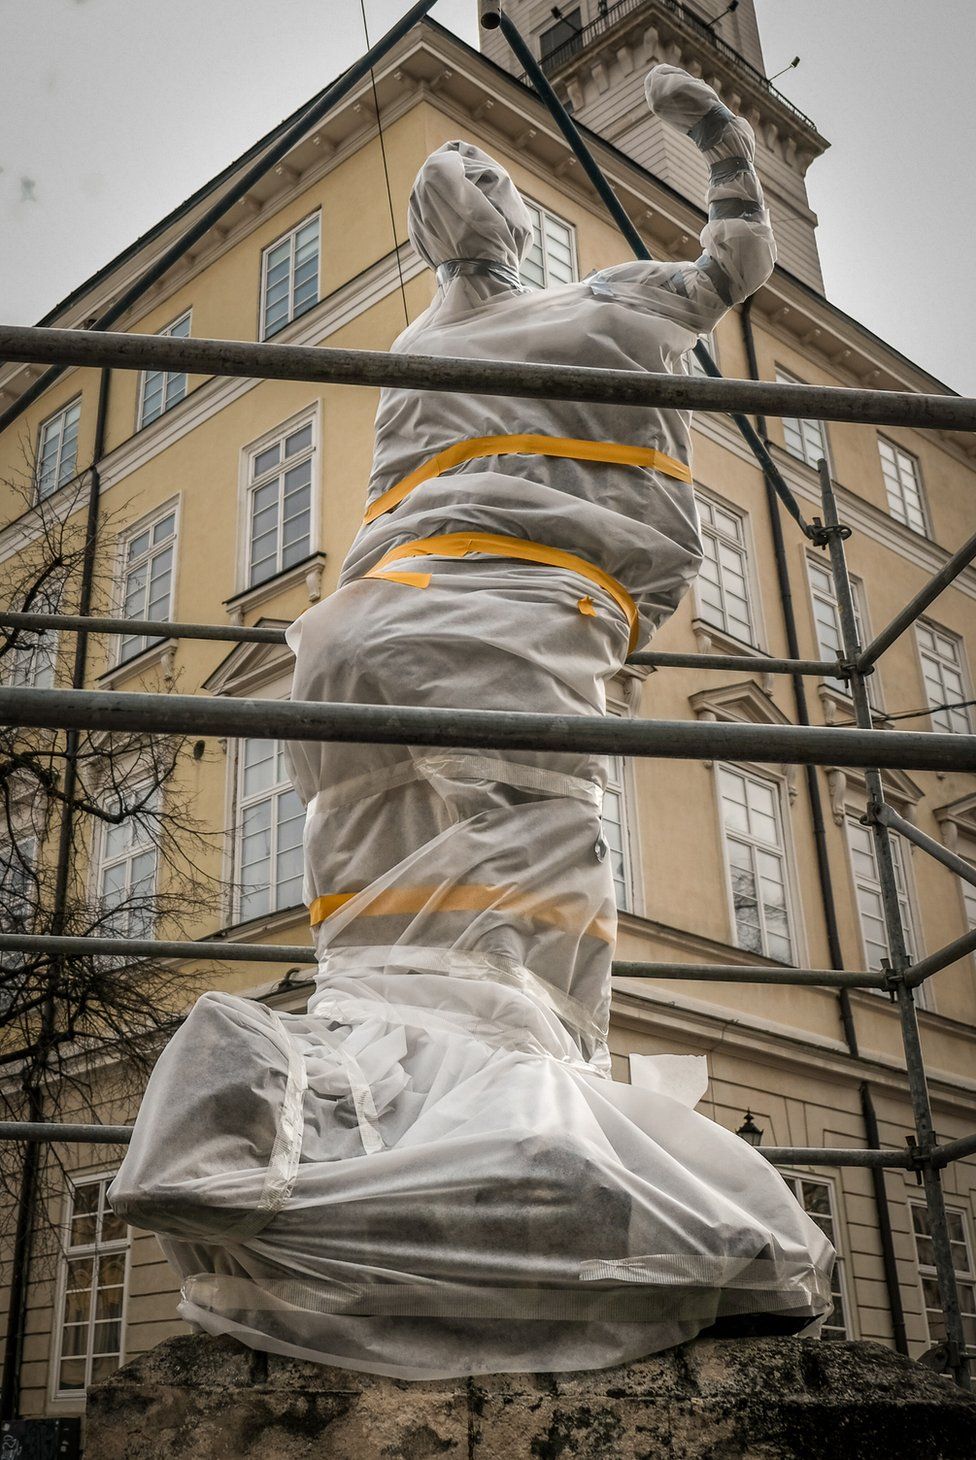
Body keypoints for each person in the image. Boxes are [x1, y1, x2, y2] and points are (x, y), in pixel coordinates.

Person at [111, 66, 835, 1378]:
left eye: (488, 177)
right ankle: (516, 1180)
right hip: (491, 622)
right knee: (532, 925)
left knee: (400, 944)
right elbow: (736, 260)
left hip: (365, 637)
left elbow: (394, 499)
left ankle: (324, 1144)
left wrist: (719, 139)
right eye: (479, 183)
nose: (484, 190)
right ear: (466, 227)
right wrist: (721, 134)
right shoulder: (585, 304)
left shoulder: (428, 352)